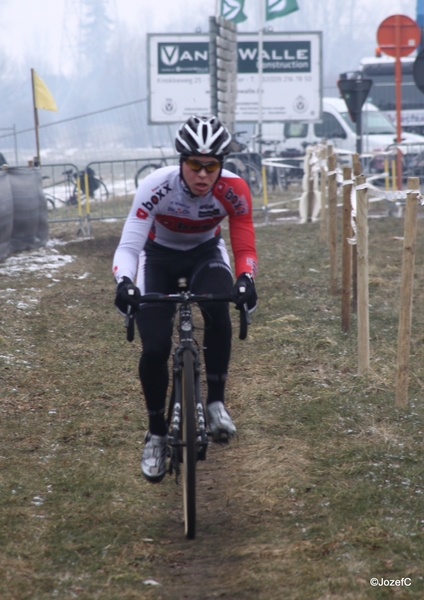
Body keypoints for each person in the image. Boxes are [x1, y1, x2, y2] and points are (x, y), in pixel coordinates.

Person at [113, 115, 258, 483]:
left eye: (211, 165)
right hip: (157, 257)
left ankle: (215, 403)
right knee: (156, 347)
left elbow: (242, 239)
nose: (203, 173)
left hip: (205, 253)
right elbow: (130, 243)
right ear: (181, 161)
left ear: (221, 165)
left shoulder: (234, 189)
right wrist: (125, 282)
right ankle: (157, 433)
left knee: (218, 304)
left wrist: (246, 278)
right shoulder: (156, 186)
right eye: (195, 164)